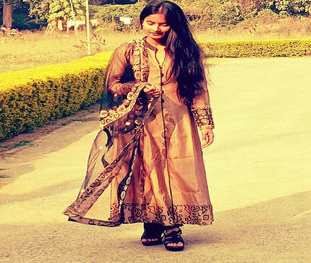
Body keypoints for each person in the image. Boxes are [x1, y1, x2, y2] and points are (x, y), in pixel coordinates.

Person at [64, 0, 215, 252]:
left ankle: (172, 226)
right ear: (141, 22)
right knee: (146, 170)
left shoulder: (187, 50)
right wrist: (139, 87)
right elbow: (112, 86)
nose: (156, 28)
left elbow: (198, 89)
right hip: (139, 122)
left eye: (163, 24)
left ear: (174, 25)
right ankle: (152, 222)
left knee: (177, 171)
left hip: (179, 121)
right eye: (150, 23)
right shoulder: (127, 50)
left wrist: (206, 124)